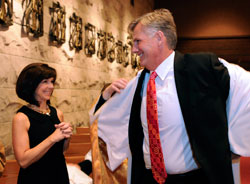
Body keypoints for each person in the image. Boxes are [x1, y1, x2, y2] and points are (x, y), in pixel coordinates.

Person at [89, 9, 250, 184]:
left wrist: (234, 143)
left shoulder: (201, 68)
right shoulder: (140, 81)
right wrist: (106, 95)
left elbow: (245, 88)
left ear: (159, 38)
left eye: (137, 42)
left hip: (194, 180)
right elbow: (106, 121)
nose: (134, 50)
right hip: (149, 179)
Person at [12, 63, 73, 184]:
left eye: (52, 82)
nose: (51, 86)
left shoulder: (57, 113)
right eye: (45, 81)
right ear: (31, 85)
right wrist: (53, 138)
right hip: (35, 178)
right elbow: (23, 161)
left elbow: (62, 150)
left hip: (59, 174)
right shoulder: (21, 117)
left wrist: (67, 137)